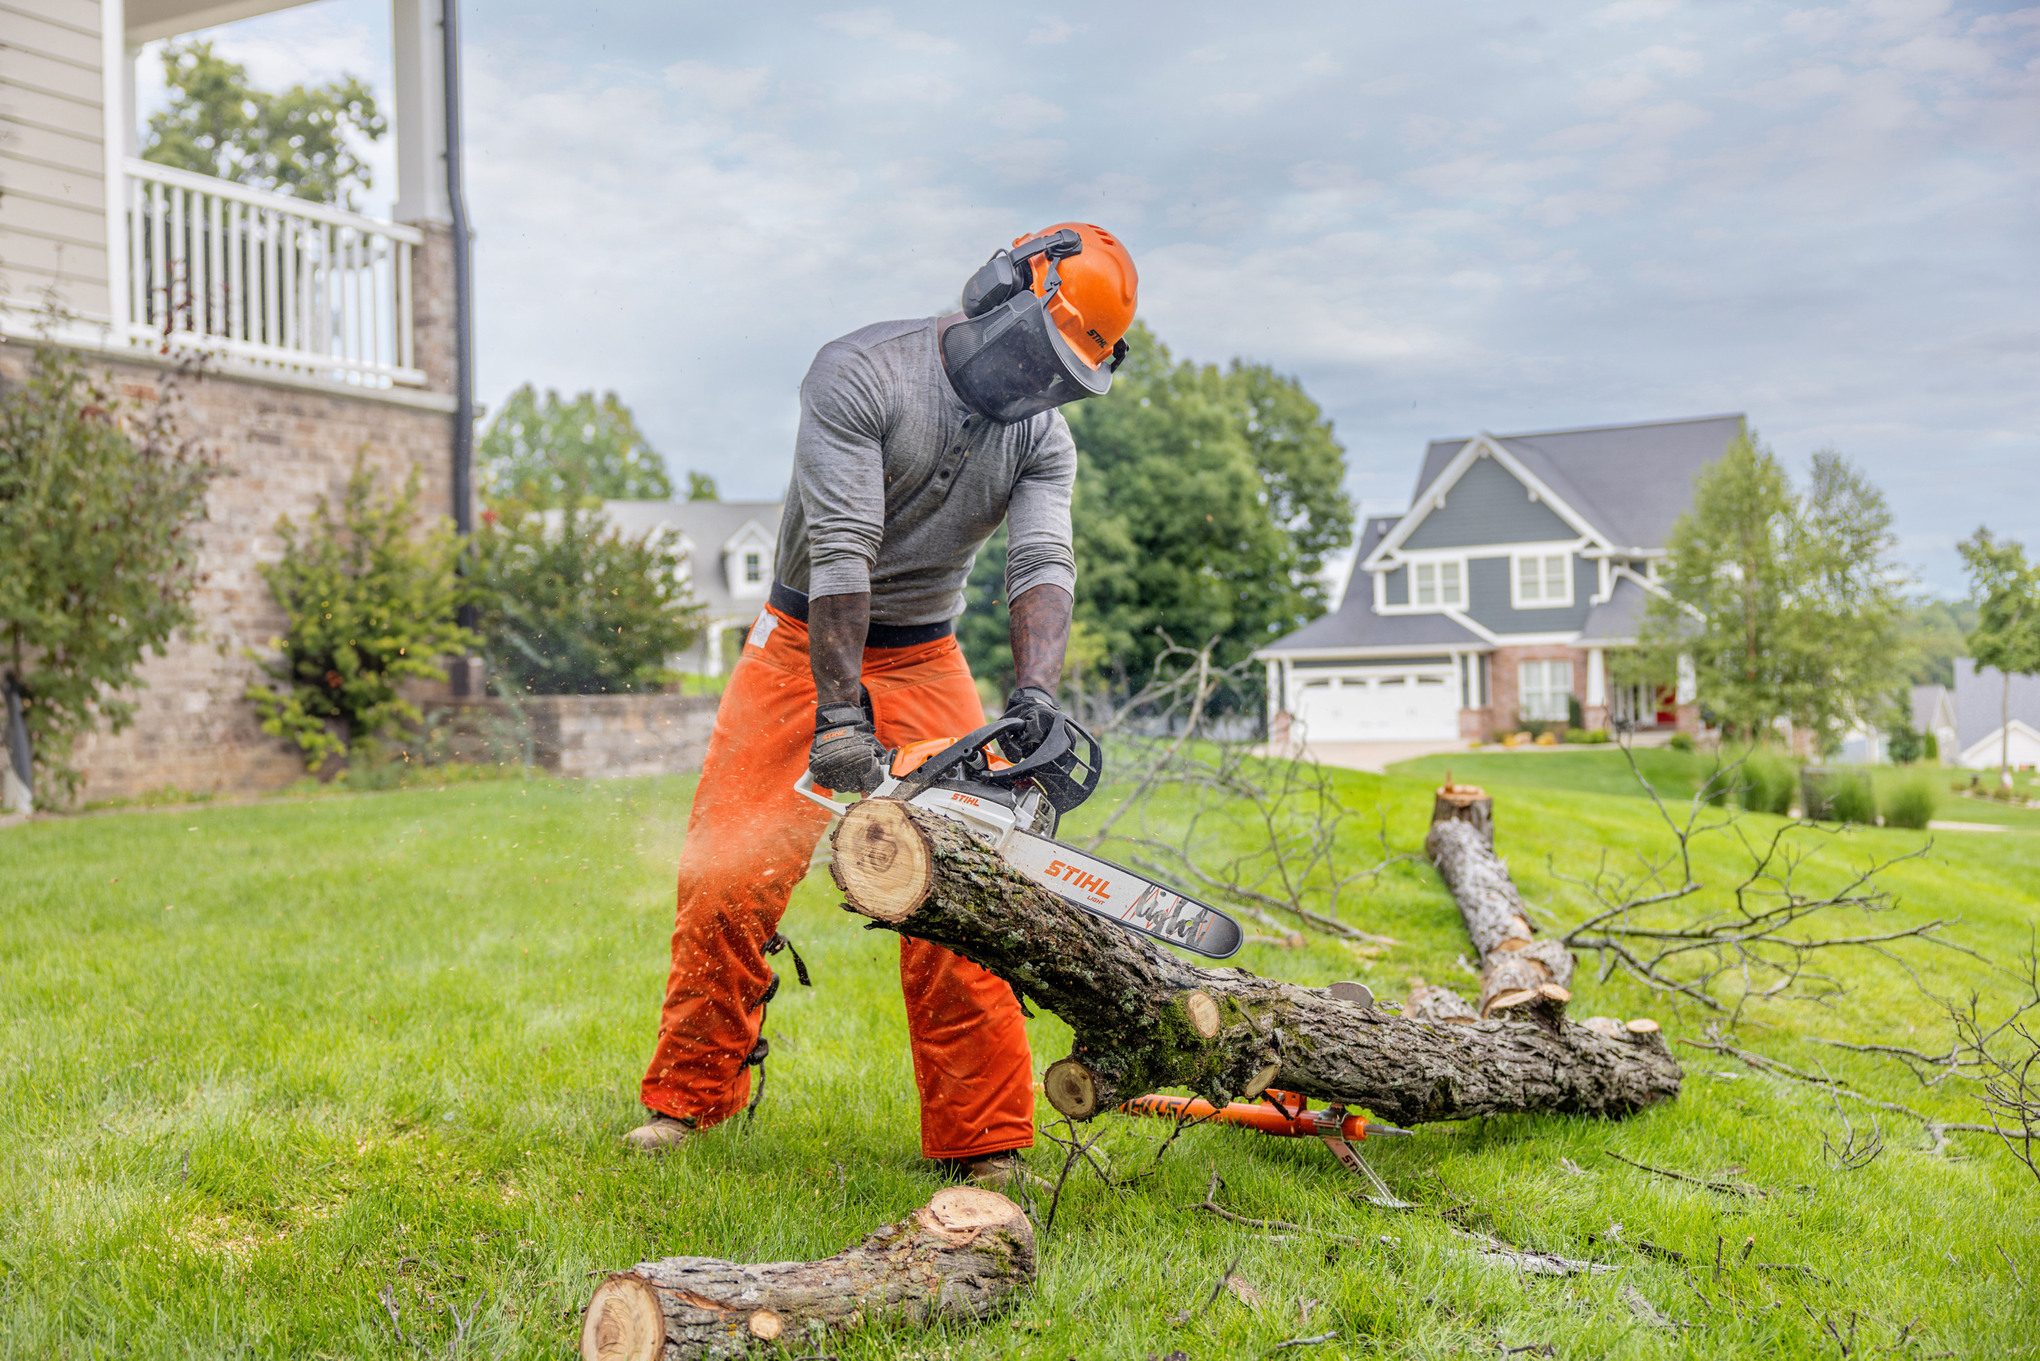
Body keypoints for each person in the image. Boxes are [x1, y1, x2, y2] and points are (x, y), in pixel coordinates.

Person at [626, 223, 1140, 1184]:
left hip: (927, 654)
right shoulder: (859, 374)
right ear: (998, 299)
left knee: (965, 887)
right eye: (1039, 360)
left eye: (1062, 379)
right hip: (798, 644)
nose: (1039, 390)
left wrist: (1034, 695)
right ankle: (688, 1101)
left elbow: (1040, 565)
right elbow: (842, 552)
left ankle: (983, 1139)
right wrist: (837, 716)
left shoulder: (1042, 442)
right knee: (725, 879)